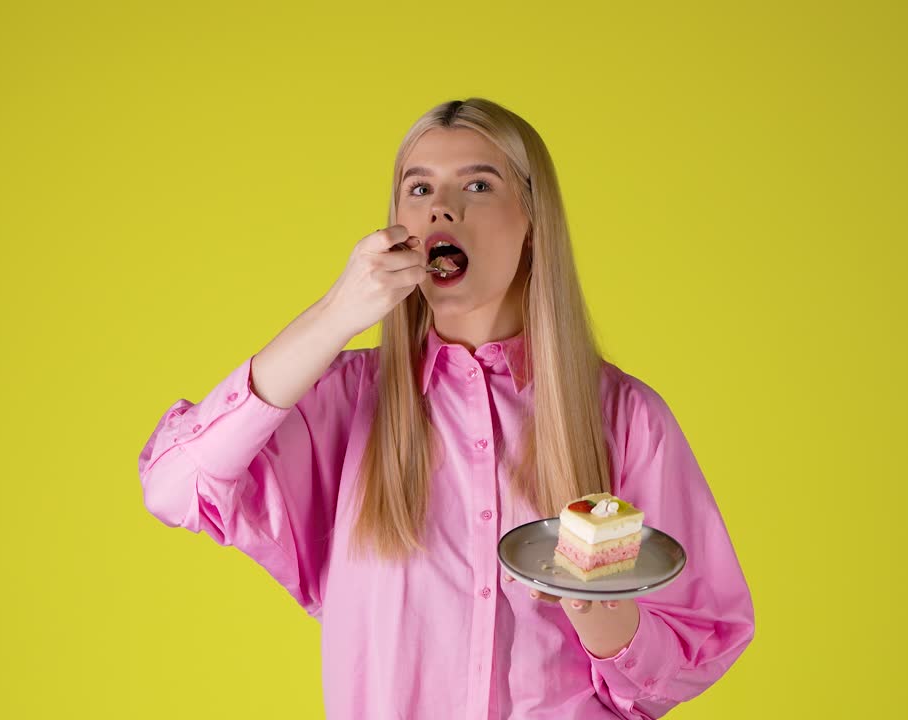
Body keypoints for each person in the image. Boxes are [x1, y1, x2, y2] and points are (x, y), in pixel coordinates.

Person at [137, 97, 755, 719]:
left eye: (478, 184)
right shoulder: (344, 404)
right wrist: (335, 315)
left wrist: (605, 619)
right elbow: (174, 485)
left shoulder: (625, 416)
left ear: (533, 220)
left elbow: (697, 646)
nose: (441, 207)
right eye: (420, 187)